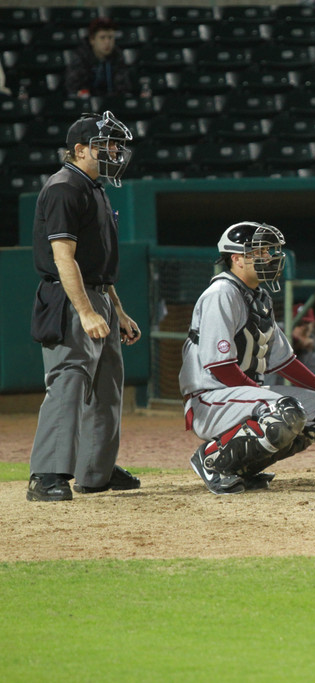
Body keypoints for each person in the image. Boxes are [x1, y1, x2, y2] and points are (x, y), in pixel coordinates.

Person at [179, 221, 315, 495]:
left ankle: (241, 468)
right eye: (260, 252)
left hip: (239, 396)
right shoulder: (222, 293)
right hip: (210, 397)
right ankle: (211, 460)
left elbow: (286, 362)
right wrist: (266, 397)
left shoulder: (259, 297)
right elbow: (220, 367)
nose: (268, 257)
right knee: (285, 411)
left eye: (269, 251)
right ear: (236, 258)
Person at [27, 111, 141, 502]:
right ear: (79, 149)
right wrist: (86, 311)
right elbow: (64, 258)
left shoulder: (93, 187)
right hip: (69, 296)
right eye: (105, 145)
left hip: (97, 293)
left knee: (107, 386)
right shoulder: (64, 187)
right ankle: (46, 475)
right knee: (70, 381)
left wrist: (116, 309)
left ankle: (96, 471)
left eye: (116, 145)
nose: (115, 152)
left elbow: (98, 265)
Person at [64, 18, 133, 97]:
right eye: (102, 38)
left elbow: (122, 86)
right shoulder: (81, 56)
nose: (107, 42)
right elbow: (74, 87)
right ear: (92, 40)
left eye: (110, 37)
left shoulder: (117, 55)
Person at [264, 302, 315, 386]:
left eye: (306, 325)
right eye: (299, 324)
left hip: (298, 391)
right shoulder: (280, 331)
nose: (302, 328)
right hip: (270, 388)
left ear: (313, 326)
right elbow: (272, 329)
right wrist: (296, 340)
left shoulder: (314, 344)